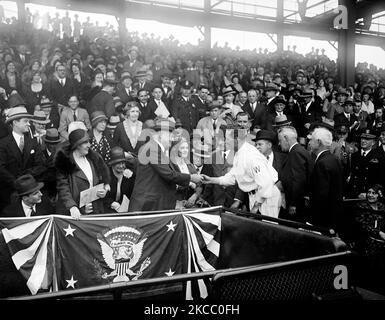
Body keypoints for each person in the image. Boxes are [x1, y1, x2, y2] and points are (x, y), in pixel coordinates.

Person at [202, 127, 282, 218]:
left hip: (267, 197)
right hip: (256, 196)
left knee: (268, 228)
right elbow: (232, 177)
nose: (225, 142)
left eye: (227, 139)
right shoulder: (239, 153)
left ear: (236, 139)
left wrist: (256, 206)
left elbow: (266, 183)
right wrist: (211, 180)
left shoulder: (250, 155)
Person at [129, 119, 202, 211]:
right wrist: (191, 177)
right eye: (170, 134)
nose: (172, 138)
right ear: (160, 134)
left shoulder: (156, 148)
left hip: (153, 203)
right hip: (148, 205)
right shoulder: (152, 148)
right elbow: (168, 174)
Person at [55, 129, 111, 218]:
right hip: (76, 214)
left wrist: (104, 190)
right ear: (76, 145)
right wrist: (73, 207)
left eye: (89, 142)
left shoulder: (93, 159)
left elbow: (103, 178)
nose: (89, 145)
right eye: (85, 143)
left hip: (96, 210)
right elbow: (63, 188)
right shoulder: (65, 163)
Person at [0, 105, 46, 212]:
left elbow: (41, 166)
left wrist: (26, 181)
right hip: (8, 194)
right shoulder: (3, 144)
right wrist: (16, 183)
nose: (29, 124)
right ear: (15, 122)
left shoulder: (33, 142)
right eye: (25, 121)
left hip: (30, 193)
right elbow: (1, 169)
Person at [307, 127, 344, 232]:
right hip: (332, 216)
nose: (309, 142)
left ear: (318, 142)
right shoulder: (333, 159)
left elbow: (321, 195)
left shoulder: (322, 163)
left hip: (322, 219)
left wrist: (314, 220)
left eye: (311, 140)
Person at [278, 126, 314, 222]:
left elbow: (297, 180)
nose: (279, 143)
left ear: (286, 138)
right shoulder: (298, 151)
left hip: (296, 205)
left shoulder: (296, 153)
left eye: (280, 140)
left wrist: (293, 203)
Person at [354, 184, 385, 292]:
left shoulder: (382, 207)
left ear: (379, 195)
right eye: (369, 192)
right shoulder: (361, 206)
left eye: (374, 193)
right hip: (366, 238)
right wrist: (379, 233)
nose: (370, 195)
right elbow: (363, 225)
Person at [170, 138, 203, 209]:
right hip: (174, 203)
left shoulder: (189, 164)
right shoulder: (170, 165)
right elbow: (172, 184)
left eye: (187, 148)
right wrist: (190, 183)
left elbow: (199, 184)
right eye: (182, 148)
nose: (185, 150)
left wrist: (195, 196)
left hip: (190, 203)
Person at [104, 146, 135, 213]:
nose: (121, 166)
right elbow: (102, 197)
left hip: (124, 211)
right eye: (118, 163)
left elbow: (131, 195)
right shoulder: (106, 175)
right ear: (112, 163)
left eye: (123, 163)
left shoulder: (128, 174)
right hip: (107, 211)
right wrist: (112, 203)